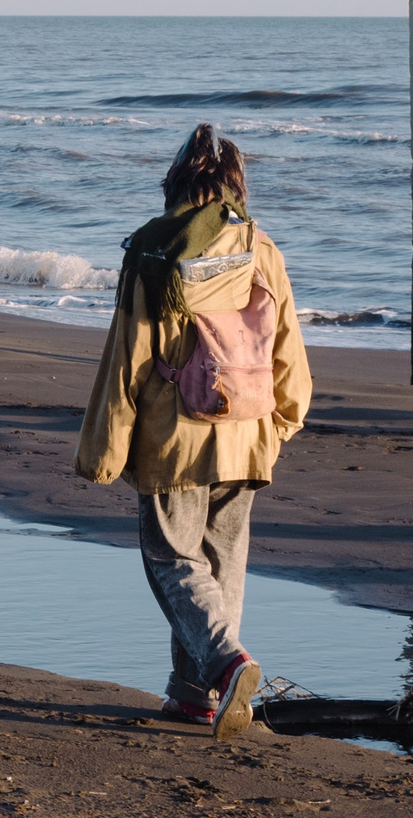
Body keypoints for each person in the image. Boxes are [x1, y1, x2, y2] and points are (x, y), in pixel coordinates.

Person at [76, 124, 311, 741]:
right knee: (221, 568)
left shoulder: (154, 251)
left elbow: (127, 356)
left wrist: (105, 449)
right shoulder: (263, 249)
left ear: (175, 186)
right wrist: (281, 423)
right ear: (236, 185)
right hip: (248, 428)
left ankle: (227, 664)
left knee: (171, 559)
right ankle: (194, 698)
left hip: (174, 436)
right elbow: (286, 349)